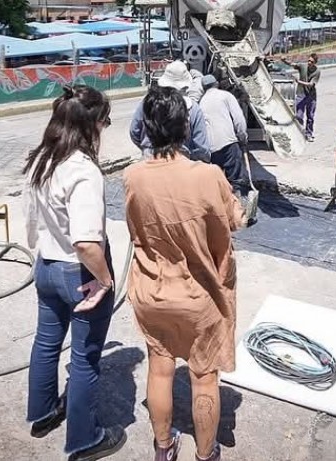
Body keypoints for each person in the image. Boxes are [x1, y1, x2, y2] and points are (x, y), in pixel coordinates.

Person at [123, 86, 244, 461]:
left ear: (146, 127)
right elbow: (235, 220)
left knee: (160, 370)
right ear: (185, 127)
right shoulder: (207, 175)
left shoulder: (133, 176)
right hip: (198, 297)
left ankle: (163, 447)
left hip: (150, 292)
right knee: (204, 378)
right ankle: (205, 454)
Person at [23, 85, 125, 461]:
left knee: (46, 343)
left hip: (46, 267)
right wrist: (104, 279)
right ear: (91, 124)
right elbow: (85, 242)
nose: (105, 128)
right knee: (85, 358)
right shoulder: (82, 170)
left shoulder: (43, 160)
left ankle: (43, 411)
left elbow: (31, 219)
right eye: (105, 121)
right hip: (78, 272)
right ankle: (85, 439)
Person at [131, 60, 212, 162]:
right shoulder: (193, 108)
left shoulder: (147, 102)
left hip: (149, 159)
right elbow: (202, 148)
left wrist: (147, 149)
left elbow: (134, 131)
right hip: (182, 164)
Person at [199, 74, 250, 199]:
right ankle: (238, 210)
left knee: (218, 182)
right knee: (236, 181)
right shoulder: (226, 96)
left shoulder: (202, 102)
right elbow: (239, 120)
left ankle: (222, 211)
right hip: (228, 144)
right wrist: (243, 137)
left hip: (211, 149)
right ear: (216, 84)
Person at [282, 53, 320, 142]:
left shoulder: (317, 72)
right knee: (299, 116)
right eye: (309, 60)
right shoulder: (303, 66)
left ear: (315, 63)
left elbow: (311, 84)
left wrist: (298, 81)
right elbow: (293, 64)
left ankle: (309, 134)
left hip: (311, 96)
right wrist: (284, 60)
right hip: (300, 94)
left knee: (310, 116)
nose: (309, 62)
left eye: (312, 61)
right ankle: (299, 133)